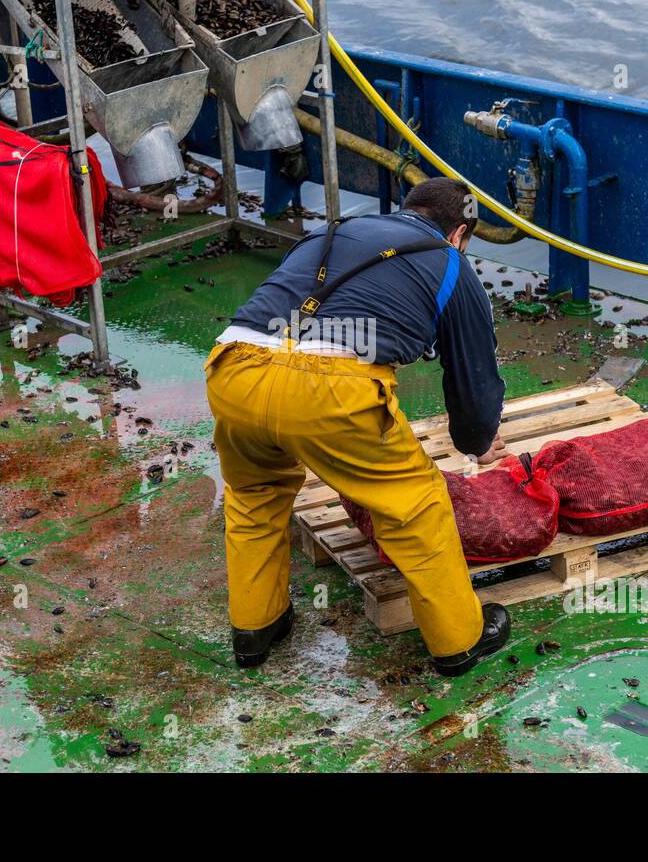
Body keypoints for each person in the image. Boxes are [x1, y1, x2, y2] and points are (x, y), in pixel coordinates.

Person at [205, 177, 510, 676]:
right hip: (330, 389)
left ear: (405, 209)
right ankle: (460, 642)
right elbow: (473, 383)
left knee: (254, 494)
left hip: (235, 366)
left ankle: (257, 629)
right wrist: (476, 442)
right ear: (461, 234)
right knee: (417, 507)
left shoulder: (333, 231)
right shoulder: (451, 262)